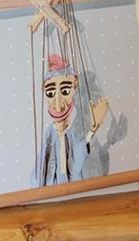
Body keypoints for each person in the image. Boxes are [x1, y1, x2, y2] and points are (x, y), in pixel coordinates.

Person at [34, 52, 111, 186]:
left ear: (74, 91)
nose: (58, 105)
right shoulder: (49, 134)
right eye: (50, 93)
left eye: (65, 91)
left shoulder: (75, 130)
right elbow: (39, 174)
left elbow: (78, 165)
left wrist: (93, 128)